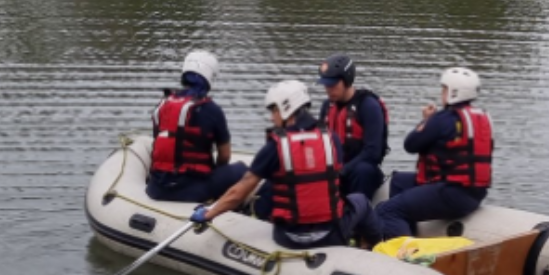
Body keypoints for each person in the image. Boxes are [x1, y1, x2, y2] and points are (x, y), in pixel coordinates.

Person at [191, 80, 381, 250]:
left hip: (289, 238)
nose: (272, 117)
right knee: (361, 201)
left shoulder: (275, 146)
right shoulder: (332, 139)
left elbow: (239, 191)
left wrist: (209, 214)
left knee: (271, 186)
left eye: (274, 110)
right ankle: (374, 247)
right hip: (331, 234)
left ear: (285, 108)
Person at [375, 67, 493, 240]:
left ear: (454, 92)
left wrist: (427, 120)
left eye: (444, 89)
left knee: (387, 210)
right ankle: (409, 229)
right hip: (476, 193)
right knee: (399, 182)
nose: (442, 93)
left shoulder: (442, 119)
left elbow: (411, 144)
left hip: (452, 193)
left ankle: (406, 257)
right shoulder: (482, 117)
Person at [146, 51, 249, 203]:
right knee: (242, 169)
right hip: (193, 190)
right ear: (210, 77)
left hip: (156, 189)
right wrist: (217, 171)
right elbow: (224, 155)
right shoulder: (212, 110)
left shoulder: (163, 105)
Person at [317, 54, 389, 199]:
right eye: (326, 85)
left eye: (333, 84)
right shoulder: (327, 106)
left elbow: (372, 152)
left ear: (346, 81)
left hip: (360, 171)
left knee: (363, 170)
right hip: (335, 168)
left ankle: (358, 214)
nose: (328, 89)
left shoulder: (368, 106)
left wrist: (343, 171)